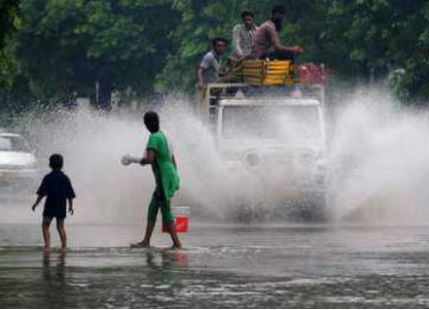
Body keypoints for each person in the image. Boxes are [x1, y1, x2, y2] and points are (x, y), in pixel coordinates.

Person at [123, 111, 182, 249]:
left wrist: (132, 159)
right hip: (170, 174)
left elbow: (149, 159)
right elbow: (172, 158)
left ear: (147, 125)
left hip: (163, 177)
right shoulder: (165, 135)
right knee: (153, 207)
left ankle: (177, 244)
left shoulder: (154, 138)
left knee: (165, 210)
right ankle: (146, 241)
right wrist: (175, 176)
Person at [31, 154, 76, 249]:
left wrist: (36, 204)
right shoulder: (65, 178)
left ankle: (47, 245)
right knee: (60, 227)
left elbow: (42, 194)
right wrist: (71, 206)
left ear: (50, 164)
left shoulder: (48, 177)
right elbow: (70, 194)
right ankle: (64, 246)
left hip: (50, 204)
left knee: (45, 225)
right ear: (62, 165)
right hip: (61, 205)